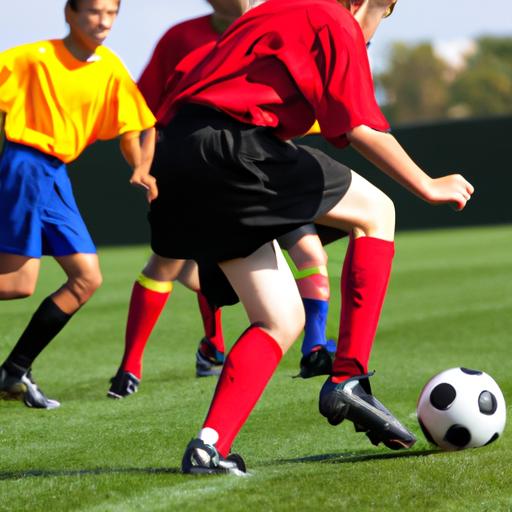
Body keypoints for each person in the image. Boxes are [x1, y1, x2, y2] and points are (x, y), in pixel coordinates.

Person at [148, 0, 473, 474]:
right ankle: (349, 377)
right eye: (382, 16)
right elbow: (358, 126)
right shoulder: (334, 18)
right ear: (362, 3)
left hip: (177, 156)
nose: (372, 34)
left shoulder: (276, 10)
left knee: (279, 317)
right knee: (378, 212)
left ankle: (208, 446)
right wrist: (427, 183)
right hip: (235, 147)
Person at [107, 0, 343, 398]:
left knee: (309, 253)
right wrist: (144, 165)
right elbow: (142, 109)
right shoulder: (181, 38)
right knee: (172, 263)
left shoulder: (276, 27)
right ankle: (131, 367)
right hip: (196, 161)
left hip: (264, 164)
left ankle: (312, 346)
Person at [0, 0, 157, 409]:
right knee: (19, 285)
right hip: (24, 165)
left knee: (87, 279)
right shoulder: (33, 58)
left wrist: (141, 167)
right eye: (92, 11)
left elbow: (135, 126)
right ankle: (14, 373)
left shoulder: (109, 67)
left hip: (56, 175)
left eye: (111, 12)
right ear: (69, 14)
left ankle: (13, 372)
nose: (102, 21)